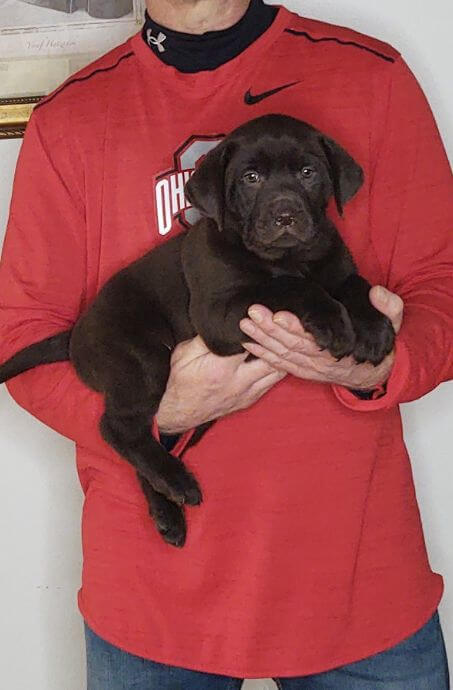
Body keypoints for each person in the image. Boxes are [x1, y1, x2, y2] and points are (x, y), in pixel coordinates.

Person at [0, 0, 452, 688]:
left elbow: (439, 285)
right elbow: (23, 334)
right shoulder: (72, 119)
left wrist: (389, 363)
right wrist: (159, 412)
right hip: (154, 597)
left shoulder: (370, 77)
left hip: (357, 584)